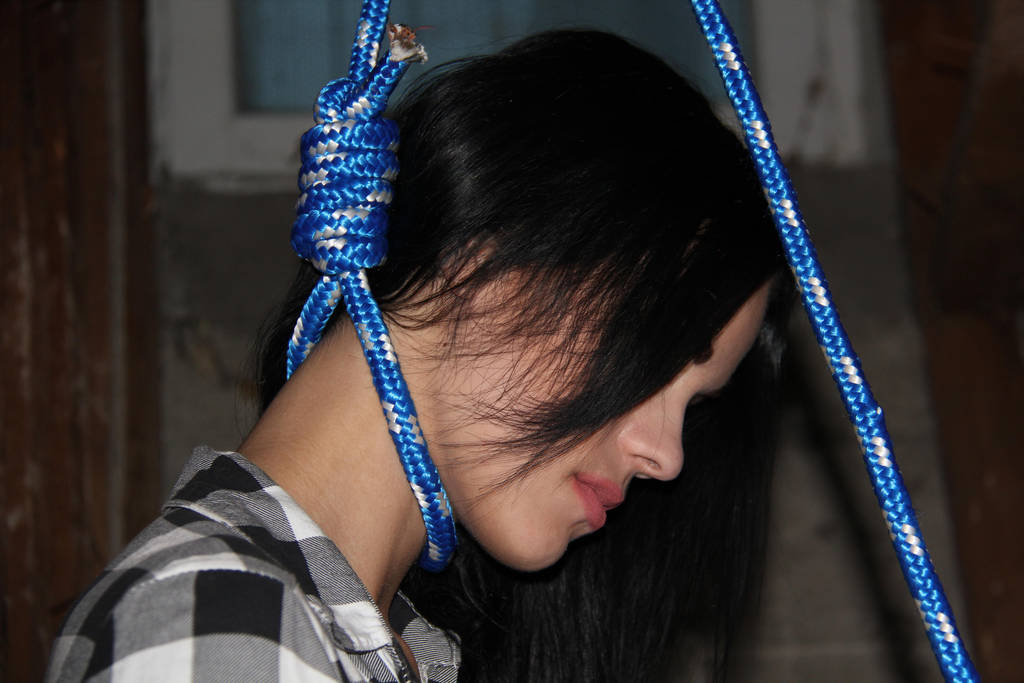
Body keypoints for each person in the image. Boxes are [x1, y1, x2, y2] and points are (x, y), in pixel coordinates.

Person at [47, 29, 790, 683]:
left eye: (694, 404)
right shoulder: (224, 631)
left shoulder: (358, 639)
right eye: (656, 356)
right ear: (492, 256)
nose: (668, 456)